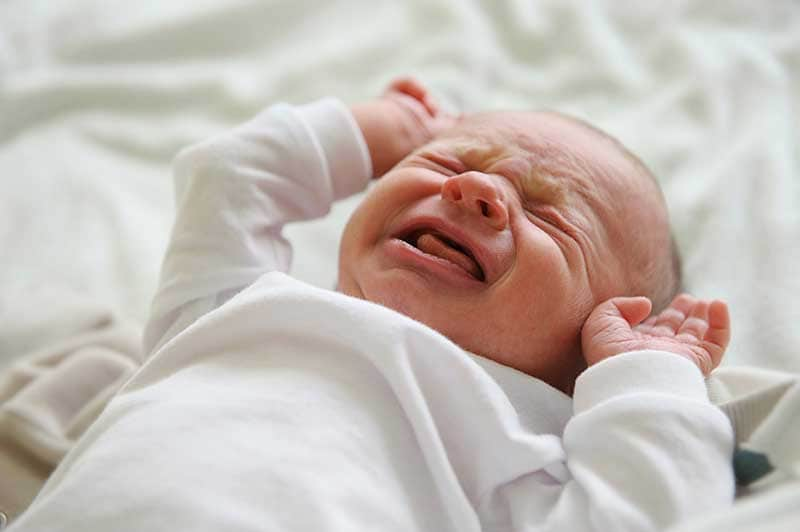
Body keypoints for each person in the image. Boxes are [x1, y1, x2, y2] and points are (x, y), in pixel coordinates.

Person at [8, 78, 734, 532]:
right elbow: (227, 176)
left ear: (589, 357)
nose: (476, 191)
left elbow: (651, 511)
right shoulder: (235, 311)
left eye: (552, 218)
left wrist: (647, 381)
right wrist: (375, 130)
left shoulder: (526, 450)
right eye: (450, 163)